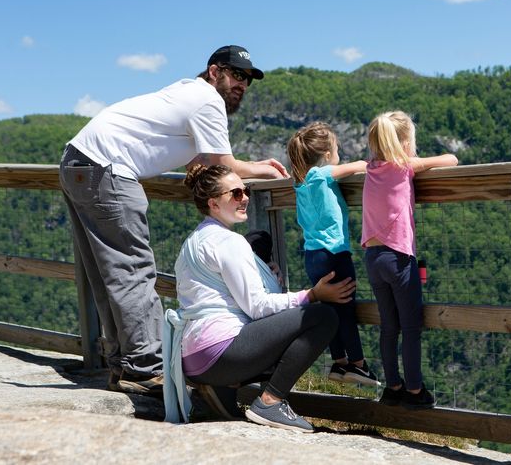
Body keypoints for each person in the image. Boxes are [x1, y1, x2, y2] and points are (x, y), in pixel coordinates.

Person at [59, 45, 288, 396]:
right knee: (132, 271)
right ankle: (146, 369)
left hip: (77, 162)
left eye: (247, 79)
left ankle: (123, 364)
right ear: (214, 72)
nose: (241, 84)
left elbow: (198, 161)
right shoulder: (207, 100)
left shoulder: (184, 92)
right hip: (108, 170)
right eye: (236, 75)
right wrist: (263, 168)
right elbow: (223, 163)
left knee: (105, 273)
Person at [163, 164, 354, 432]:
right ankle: (270, 401)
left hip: (192, 360)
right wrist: (312, 295)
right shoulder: (229, 242)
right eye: (236, 193)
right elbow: (259, 308)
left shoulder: (194, 241)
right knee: (322, 317)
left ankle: (223, 388)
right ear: (214, 204)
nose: (245, 198)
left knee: (259, 244)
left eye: (246, 190)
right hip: (222, 353)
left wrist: (263, 273)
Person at [361, 110, 458, 409]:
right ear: (404, 143)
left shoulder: (370, 169)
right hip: (399, 258)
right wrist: (413, 160)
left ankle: (392, 387)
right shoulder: (404, 167)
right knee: (411, 328)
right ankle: (415, 391)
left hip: (372, 257)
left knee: (389, 327)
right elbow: (451, 160)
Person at [286, 122, 379, 387]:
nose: (339, 154)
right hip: (334, 253)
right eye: (337, 149)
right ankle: (359, 365)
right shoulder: (321, 173)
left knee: (331, 310)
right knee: (346, 309)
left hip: (312, 255)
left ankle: (339, 363)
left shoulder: (299, 181)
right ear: (327, 155)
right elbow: (359, 166)